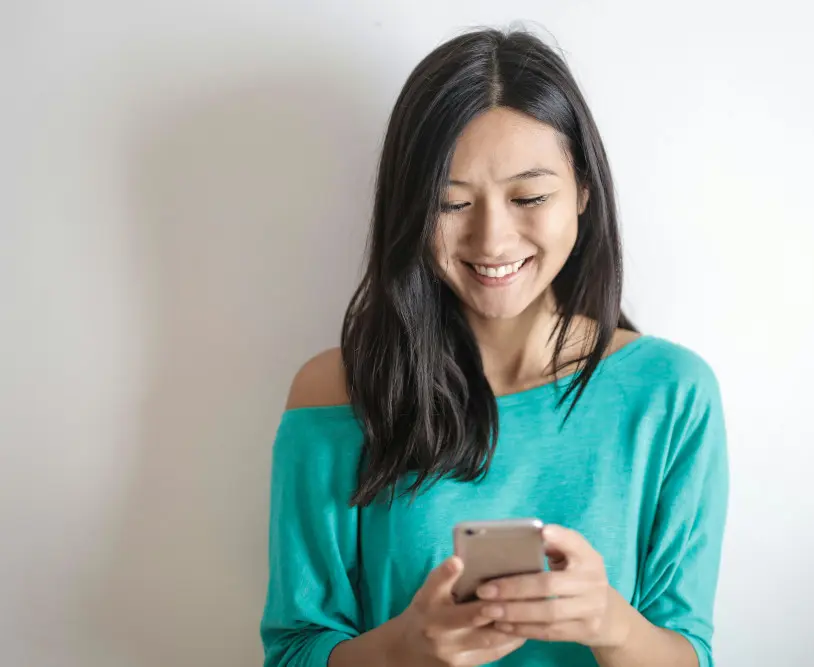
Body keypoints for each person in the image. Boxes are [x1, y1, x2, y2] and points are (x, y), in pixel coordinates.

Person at [260, 27, 728, 667]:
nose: (492, 240)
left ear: (583, 191)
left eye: (529, 197)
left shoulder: (670, 394)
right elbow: (293, 651)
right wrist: (406, 647)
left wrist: (610, 625)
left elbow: (689, 651)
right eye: (451, 203)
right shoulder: (336, 393)